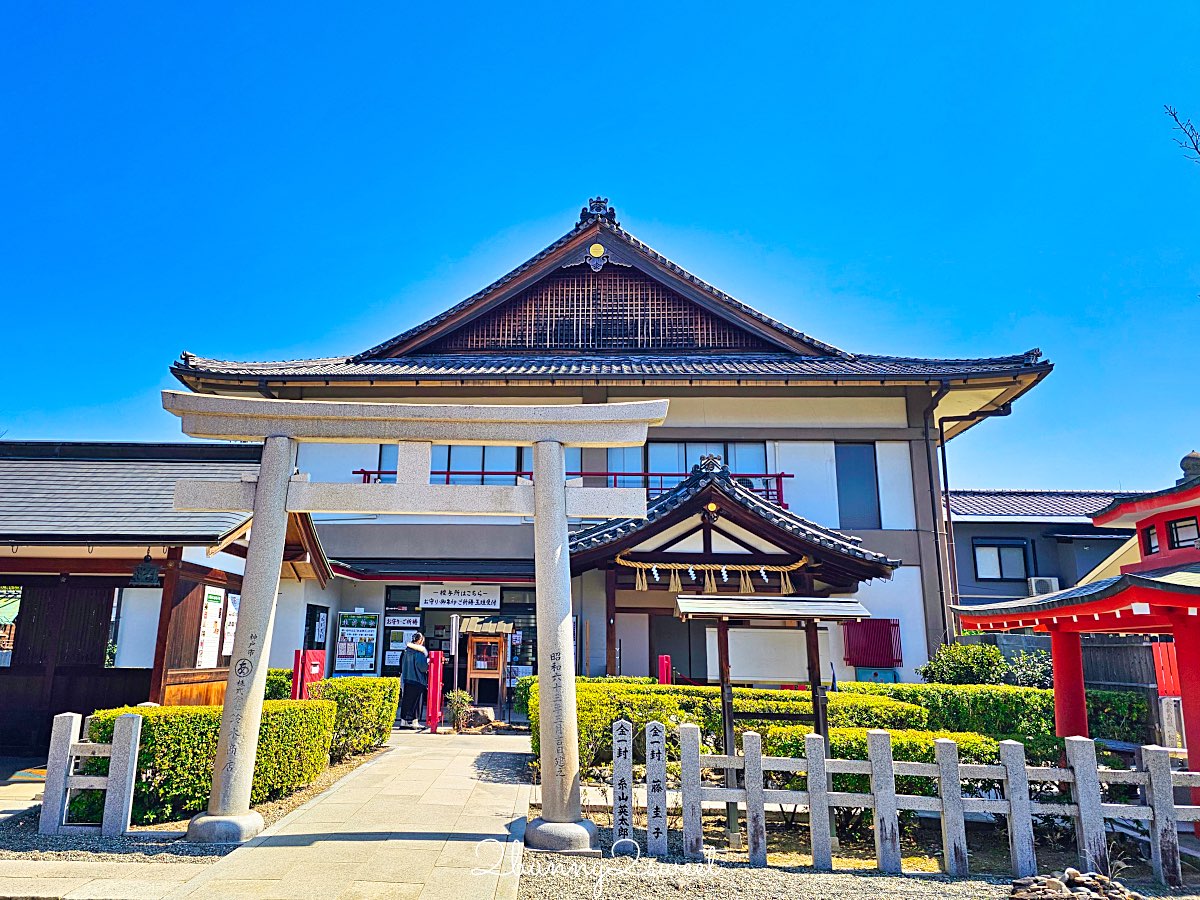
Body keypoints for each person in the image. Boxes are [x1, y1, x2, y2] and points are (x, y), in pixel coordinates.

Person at [398, 632, 429, 727]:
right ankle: (414, 722)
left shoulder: (405, 651)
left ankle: (403, 721)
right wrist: (428, 664)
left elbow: (401, 665)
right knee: (417, 702)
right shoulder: (420, 652)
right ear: (420, 641)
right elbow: (422, 667)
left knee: (406, 700)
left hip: (407, 679)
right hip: (417, 679)